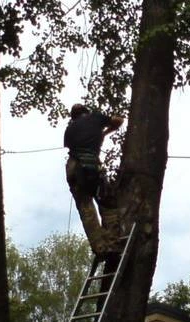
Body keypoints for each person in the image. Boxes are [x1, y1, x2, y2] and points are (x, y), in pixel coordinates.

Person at [64, 103, 124, 258]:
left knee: (86, 208)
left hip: (74, 168)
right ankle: (113, 242)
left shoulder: (69, 130)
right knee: (107, 203)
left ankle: (101, 247)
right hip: (91, 164)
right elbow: (119, 120)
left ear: (73, 116)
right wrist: (104, 132)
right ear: (86, 112)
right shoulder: (95, 117)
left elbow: (71, 146)